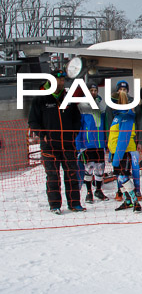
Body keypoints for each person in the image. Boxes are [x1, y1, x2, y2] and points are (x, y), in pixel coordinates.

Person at [28, 69, 83, 214]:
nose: (62, 82)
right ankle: (55, 205)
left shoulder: (68, 98)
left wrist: (74, 133)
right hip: (50, 146)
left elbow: (77, 119)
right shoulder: (40, 99)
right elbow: (33, 121)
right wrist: (42, 134)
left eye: (63, 80)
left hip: (68, 145)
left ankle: (74, 203)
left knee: (71, 174)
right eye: (59, 80)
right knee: (53, 176)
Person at [108, 90, 142, 212]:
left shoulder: (125, 116)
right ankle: (127, 201)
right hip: (116, 152)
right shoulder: (118, 116)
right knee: (119, 177)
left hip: (122, 153)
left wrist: (117, 156)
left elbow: (123, 139)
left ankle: (136, 202)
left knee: (123, 177)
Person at [75, 82, 109, 203]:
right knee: (89, 167)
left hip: (100, 143)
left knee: (100, 168)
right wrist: (78, 144)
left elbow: (105, 125)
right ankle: (89, 192)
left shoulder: (101, 105)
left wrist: (107, 142)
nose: (93, 92)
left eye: (95, 90)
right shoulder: (82, 106)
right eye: (91, 90)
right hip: (87, 143)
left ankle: (98, 190)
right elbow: (78, 127)